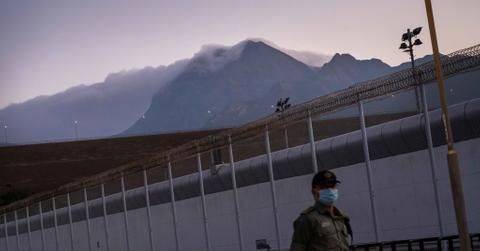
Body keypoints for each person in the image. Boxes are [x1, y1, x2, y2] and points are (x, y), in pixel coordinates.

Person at [290, 170, 351, 251]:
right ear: (314, 191)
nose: (330, 190)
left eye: (332, 186)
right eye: (324, 187)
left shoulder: (341, 217)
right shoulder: (307, 220)